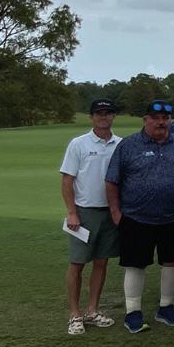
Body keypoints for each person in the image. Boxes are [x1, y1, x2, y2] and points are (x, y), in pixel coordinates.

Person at [105, 99, 174, 333]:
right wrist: (115, 212)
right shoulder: (128, 145)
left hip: (173, 216)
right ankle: (133, 312)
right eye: (155, 118)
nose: (161, 122)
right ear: (145, 120)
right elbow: (112, 180)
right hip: (136, 217)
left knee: (172, 261)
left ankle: (166, 307)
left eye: (165, 118)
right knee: (135, 264)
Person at [60, 98, 121, 334]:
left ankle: (92, 310)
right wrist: (72, 213)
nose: (103, 117)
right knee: (77, 263)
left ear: (113, 116)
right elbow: (67, 180)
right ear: (91, 117)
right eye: (99, 113)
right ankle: (75, 314)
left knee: (101, 262)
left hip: (110, 211)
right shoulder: (79, 144)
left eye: (108, 113)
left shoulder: (120, 144)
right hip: (84, 212)